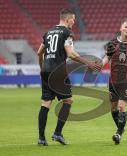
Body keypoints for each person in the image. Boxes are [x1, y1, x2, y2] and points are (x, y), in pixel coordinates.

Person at [37, 9, 99, 146]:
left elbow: (39, 52)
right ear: (67, 19)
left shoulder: (48, 33)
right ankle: (58, 133)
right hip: (58, 71)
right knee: (68, 101)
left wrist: (42, 68)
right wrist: (88, 63)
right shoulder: (67, 33)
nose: (74, 22)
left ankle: (41, 138)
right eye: (73, 19)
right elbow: (70, 54)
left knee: (46, 103)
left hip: (46, 71)